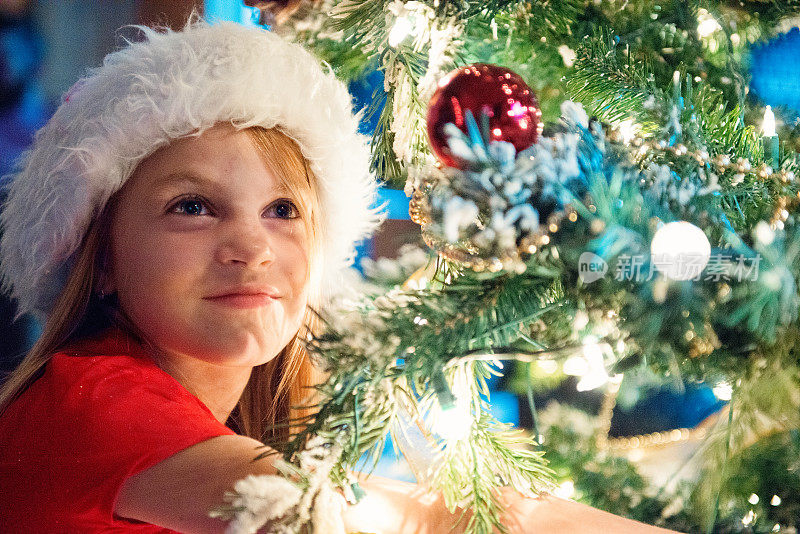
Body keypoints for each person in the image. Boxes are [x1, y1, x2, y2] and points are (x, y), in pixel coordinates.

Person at [0, 20, 676, 533]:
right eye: (193, 207)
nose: (251, 245)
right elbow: (319, 519)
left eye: (283, 210)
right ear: (106, 259)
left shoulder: (229, 428)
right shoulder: (90, 400)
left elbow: (439, 517)